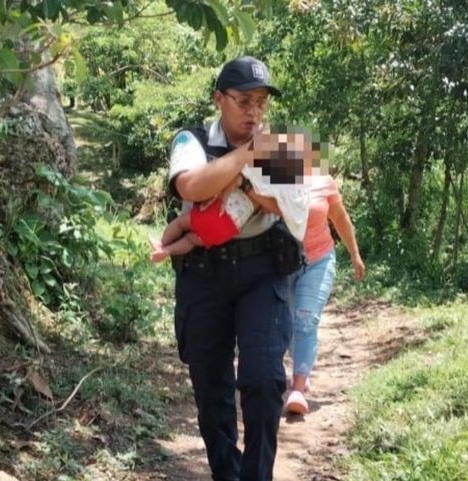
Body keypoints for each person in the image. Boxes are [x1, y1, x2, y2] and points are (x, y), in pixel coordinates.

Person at [167, 56, 304, 481]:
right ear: (219, 100)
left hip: (263, 269)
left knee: (263, 381)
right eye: (244, 101)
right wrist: (248, 157)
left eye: (261, 103)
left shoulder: (281, 145)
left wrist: (246, 177)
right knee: (211, 389)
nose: (254, 112)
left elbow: (295, 204)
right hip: (204, 273)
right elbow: (190, 186)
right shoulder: (190, 140)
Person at [151, 135, 314, 263]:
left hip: (217, 211)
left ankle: (162, 246)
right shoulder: (277, 191)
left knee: (180, 224)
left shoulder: (255, 171)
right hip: (229, 228)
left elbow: (227, 180)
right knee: (190, 240)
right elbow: (268, 210)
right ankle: (167, 251)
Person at [283, 172, 366, 415]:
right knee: (287, 322)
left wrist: (355, 254)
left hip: (318, 260)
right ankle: (302, 365)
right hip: (282, 263)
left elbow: (339, 217)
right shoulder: (272, 180)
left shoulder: (323, 182)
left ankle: (298, 387)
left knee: (306, 320)